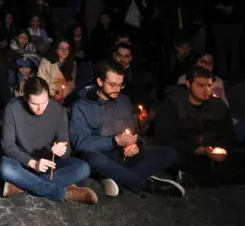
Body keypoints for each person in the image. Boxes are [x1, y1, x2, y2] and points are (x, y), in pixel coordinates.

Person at [70, 61, 184, 198]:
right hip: (103, 155)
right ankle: (147, 184)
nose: (117, 89)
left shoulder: (123, 101)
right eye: (112, 85)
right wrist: (114, 141)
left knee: (169, 152)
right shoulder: (81, 107)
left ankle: (116, 177)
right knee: (94, 159)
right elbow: (80, 143)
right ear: (100, 81)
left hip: (125, 154)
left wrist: (135, 144)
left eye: (120, 85)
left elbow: (132, 131)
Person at [0, 77, 97, 204]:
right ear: (25, 98)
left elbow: (66, 149)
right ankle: (64, 193)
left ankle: (22, 185)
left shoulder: (59, 110)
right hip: (23, 162)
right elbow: (8, 146)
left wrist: (62, 151)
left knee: (83, 168)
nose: (40, 108)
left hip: (49, 165)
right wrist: (33, 163)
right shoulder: (13, 107)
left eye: (44, 102)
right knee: (6, 168)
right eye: (34, 104)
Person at [157, 66, 245, 186]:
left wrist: (221, 148)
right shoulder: (173, 104)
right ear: (188, 84)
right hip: (187, 152)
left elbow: (229, 134)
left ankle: (194, 178)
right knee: (172, 156)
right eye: (200, 85)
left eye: (209, 85)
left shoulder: (218, 105)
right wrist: (197, 149)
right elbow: (166, 137)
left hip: (212, 153)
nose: (206, 90)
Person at [37, 40, 76, 104]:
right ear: (56, 49)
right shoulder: (46, 61)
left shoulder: (72, 64)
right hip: (49, 92)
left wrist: (63, 96)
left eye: (67, 49)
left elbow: (71, 83)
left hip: (64, 95)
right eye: (61, 48)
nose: (64, 51)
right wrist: (54, 94)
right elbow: (41, 80)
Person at [113, 42, 148, 107]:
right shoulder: (106, 70)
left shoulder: (136, 74)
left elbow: (140, 96)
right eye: (119, 55)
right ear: (114, 55)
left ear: (131, 58)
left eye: (126, 56)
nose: (122, 59)